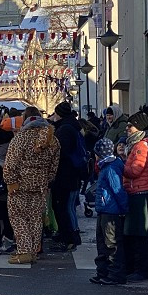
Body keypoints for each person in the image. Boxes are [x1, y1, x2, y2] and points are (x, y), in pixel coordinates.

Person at [2, 107, 60, 265]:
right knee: (35, 219)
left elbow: (10, 164)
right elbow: (54, 167)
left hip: (20, 184)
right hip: (40, 185)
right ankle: (34, 251)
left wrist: (10, 182)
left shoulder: (21, 138)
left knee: (18, 218)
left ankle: (25, 251)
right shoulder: (52, 139)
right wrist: (46, 181)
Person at [121, 111, 148, 281]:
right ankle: (135, 267)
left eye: (131, 125)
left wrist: (121, 165)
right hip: (137, 191)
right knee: (134, 233)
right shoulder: (136, 145)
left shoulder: (141, 146)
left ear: (140, 127)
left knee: (140, 234)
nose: (127, 128)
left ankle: (142, 270)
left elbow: (135, 170)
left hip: (141, 193)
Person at [90, 138, 128, 285]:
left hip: (110, 211)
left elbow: (118, 190)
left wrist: (123, 209)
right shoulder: (105, 166)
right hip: (104, 209)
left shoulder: (111, 168)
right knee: (102, 242)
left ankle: (115, 274)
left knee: (111, 243)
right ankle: (103, 272)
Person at [49, 102, 85, 251]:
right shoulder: (73, 126)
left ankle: (68, 239)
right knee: (67, 206)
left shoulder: (64, 129)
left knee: (62, 207)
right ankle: (70, 236)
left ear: (59, 114)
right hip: (72, 174)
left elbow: (61, 153)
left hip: (64, 175)